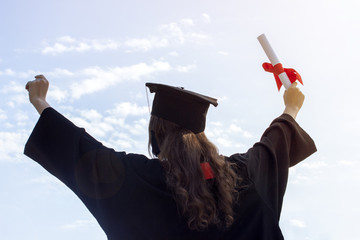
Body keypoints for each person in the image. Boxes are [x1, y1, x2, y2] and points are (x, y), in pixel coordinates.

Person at [24, 75, 316, 240]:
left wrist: (41, 103)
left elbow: (81, 149)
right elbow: (274, 142)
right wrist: (291, 106)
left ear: (156, 135)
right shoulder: (243, 176)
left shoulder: (134, 180)